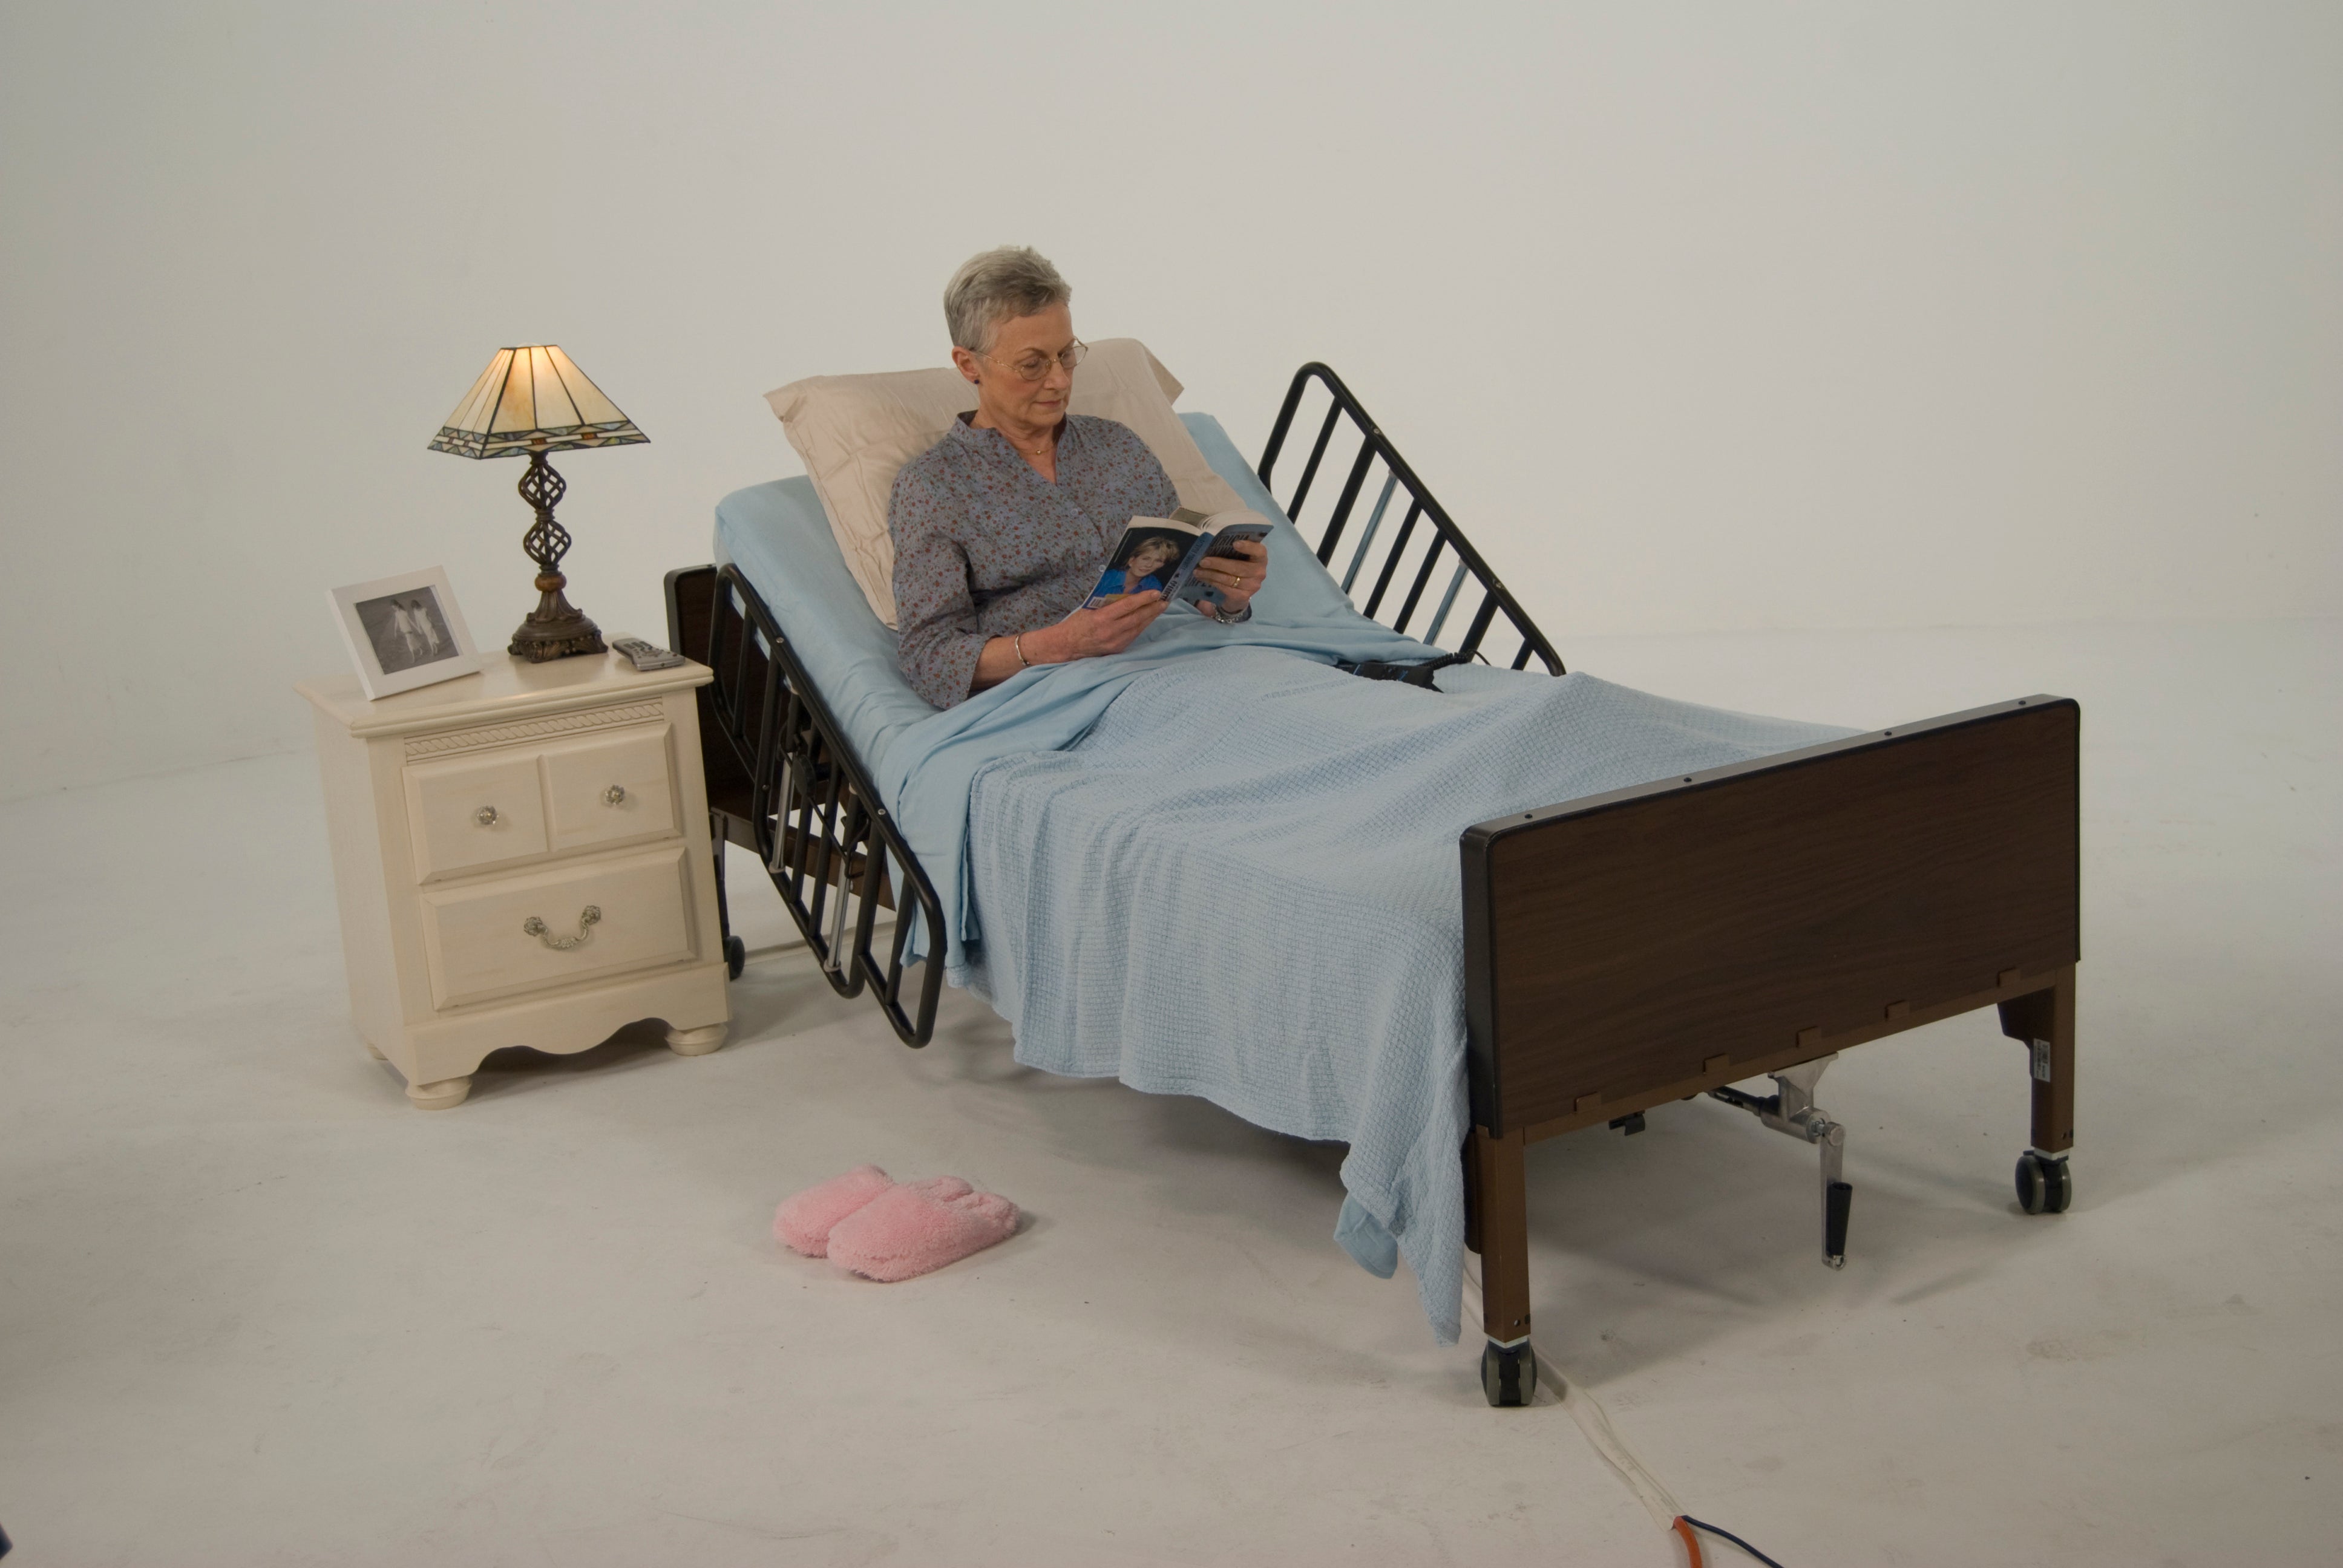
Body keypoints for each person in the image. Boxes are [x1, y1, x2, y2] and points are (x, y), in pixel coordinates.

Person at [888, 246, 1271, 710]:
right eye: (1033, 364)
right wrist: (1058, 644)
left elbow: (1187, 593)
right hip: (1069, 693)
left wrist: (1231, 598)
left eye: (1066, 355)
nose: (1060, 381)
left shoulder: (1118, 446)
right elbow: (929, 659)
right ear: (969, 365)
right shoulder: (934, 487)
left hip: (1192, 663)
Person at [1092, 534, 1183, 603]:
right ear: (1132, 560)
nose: (1149, 565)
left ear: (1162, 565)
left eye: (1158, 561)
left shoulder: (1154, 586)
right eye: (1146, 559)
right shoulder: (1105, 578)